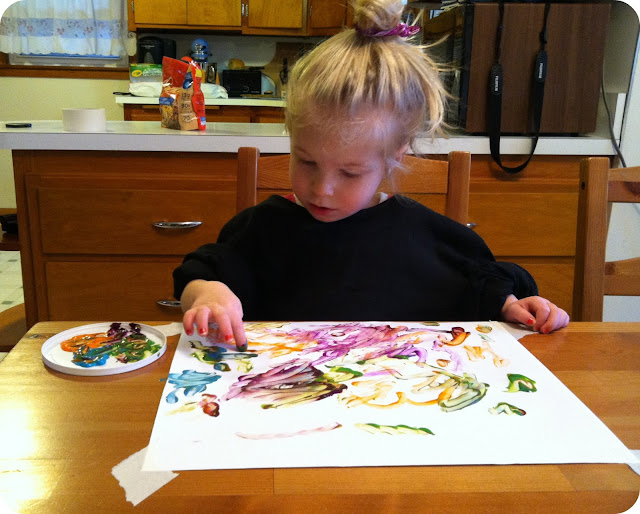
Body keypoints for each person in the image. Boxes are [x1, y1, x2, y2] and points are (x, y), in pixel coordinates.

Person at [174, 0, 570, 349]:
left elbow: (481, 289)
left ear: (395, 155)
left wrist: (513, 307)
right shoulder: (260, 232)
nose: (322, 189)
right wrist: (207, 296)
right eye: (307, 162)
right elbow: (200, 275)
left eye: (350, 173)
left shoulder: (426, 239)